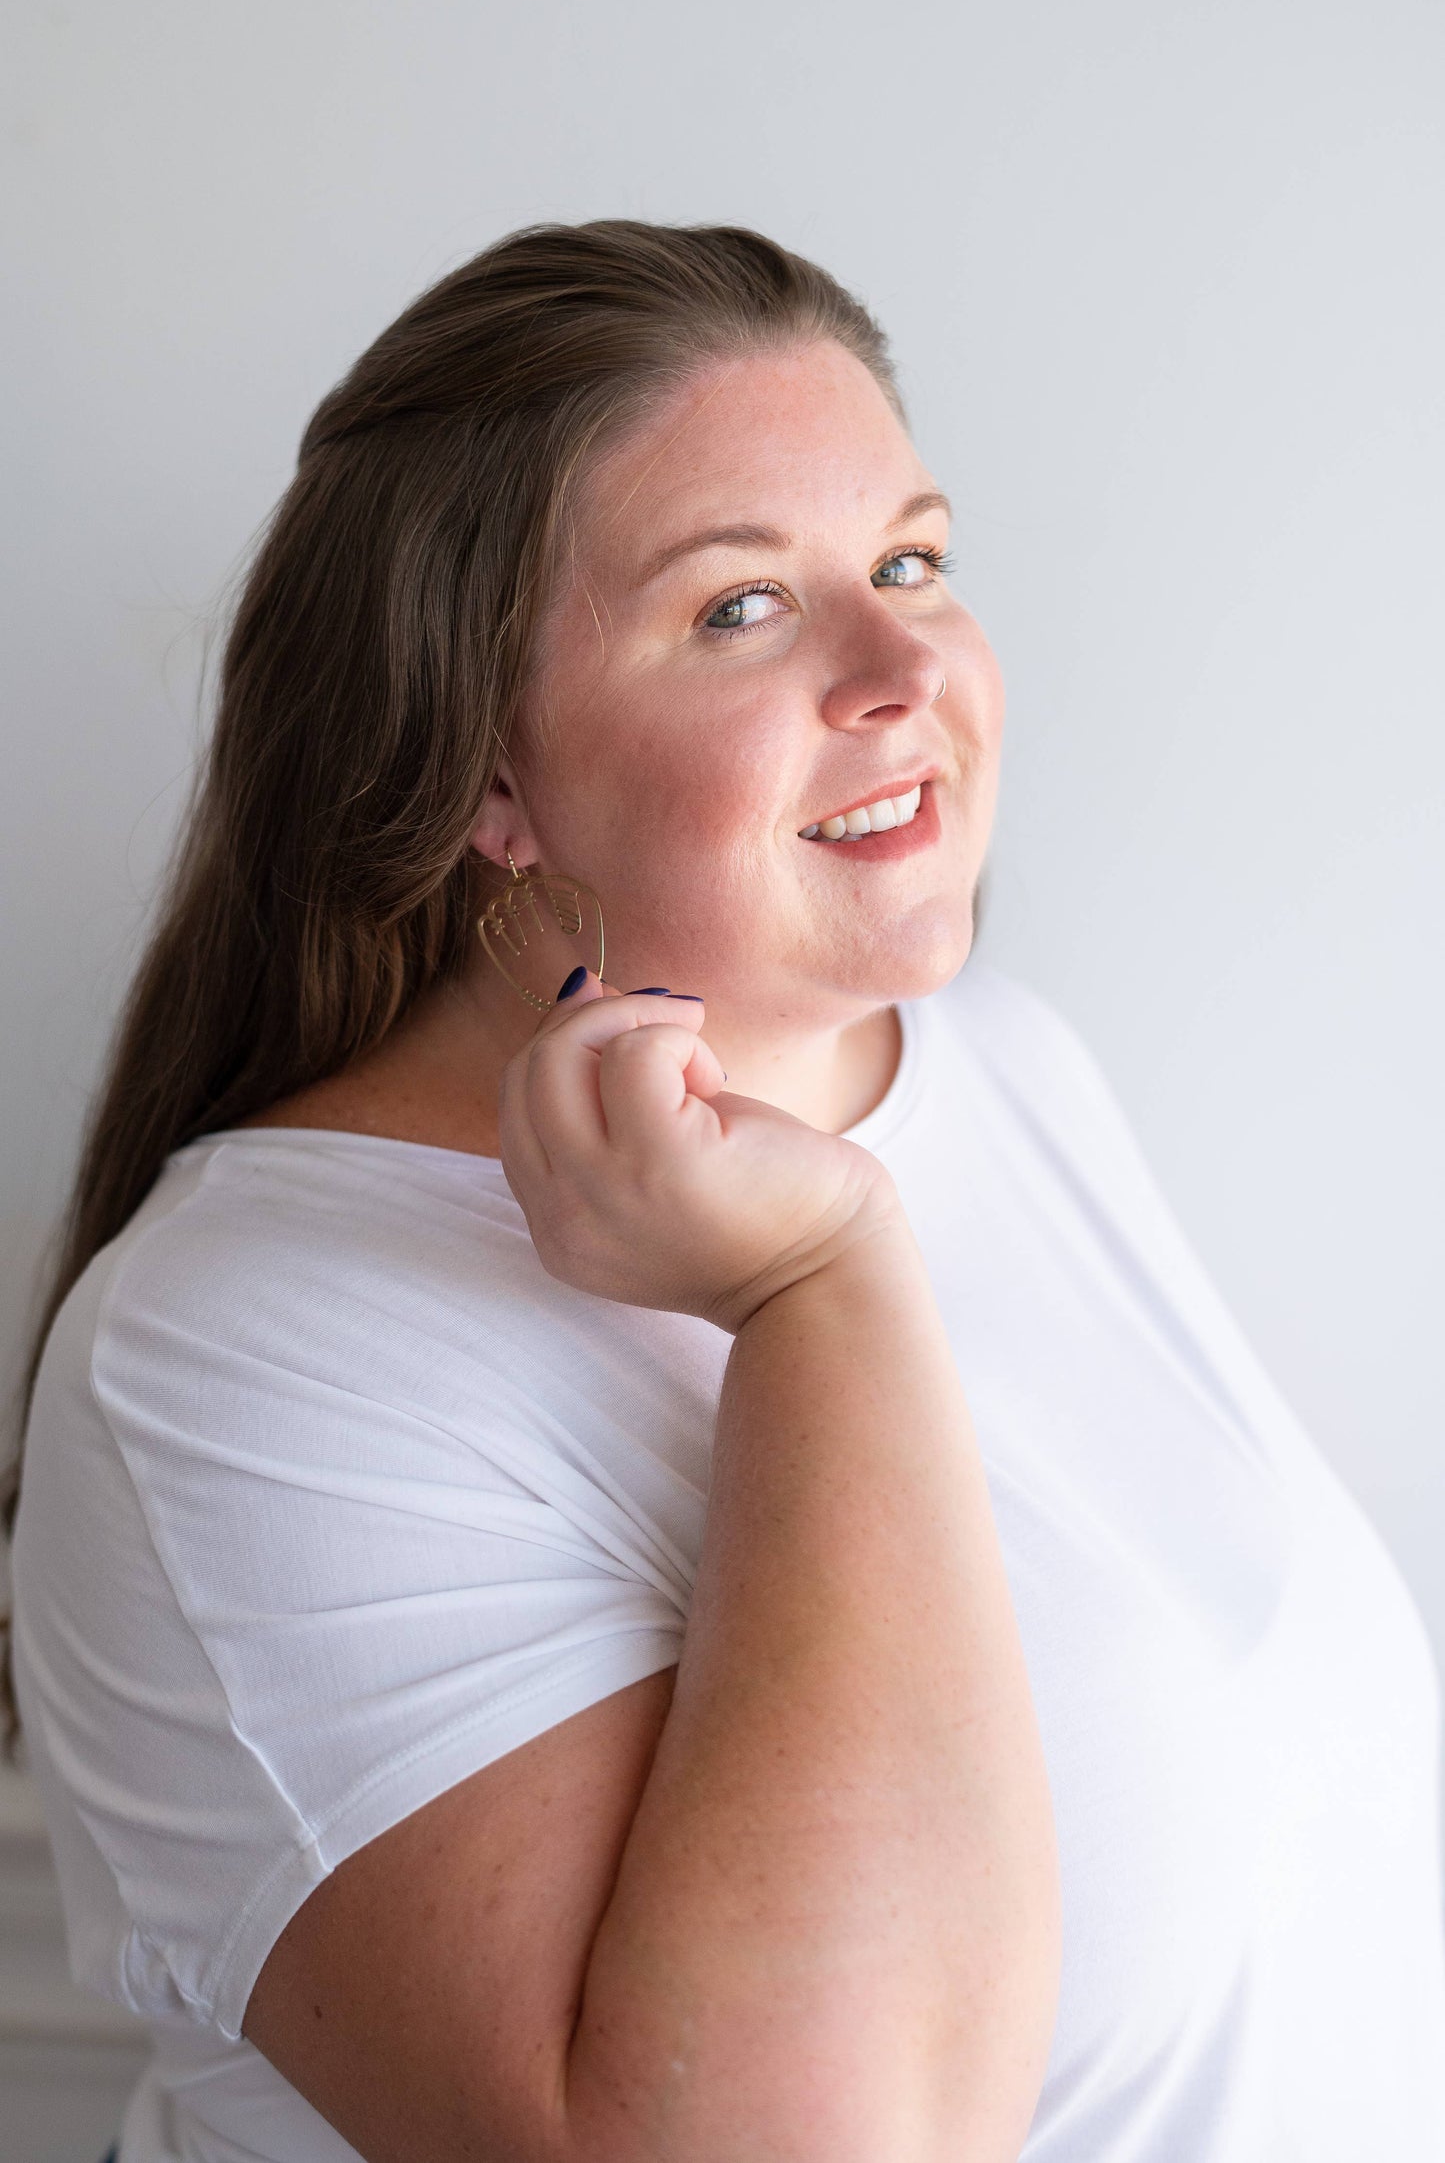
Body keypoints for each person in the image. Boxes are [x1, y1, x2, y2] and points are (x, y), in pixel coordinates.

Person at [6, 220, 1444, 2163]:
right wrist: (822, 1293)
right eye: (742, 609)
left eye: (911, 562)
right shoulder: (224, 1360)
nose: (904, 667)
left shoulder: (1001, 1064)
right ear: (485, 772)